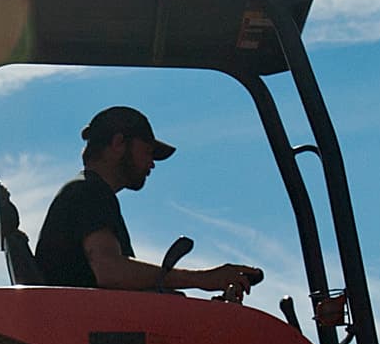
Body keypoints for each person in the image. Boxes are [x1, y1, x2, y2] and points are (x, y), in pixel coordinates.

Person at [32, 105, 263, 295]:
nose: (152, 163)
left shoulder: (85, 192)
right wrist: (202, 278)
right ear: (118, 143)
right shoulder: (88, 192)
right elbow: (110, 270)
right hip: (85, 336)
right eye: (148, 151)